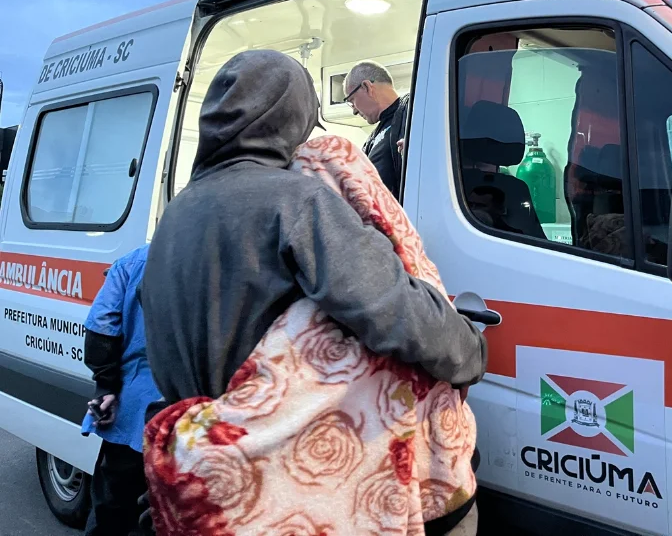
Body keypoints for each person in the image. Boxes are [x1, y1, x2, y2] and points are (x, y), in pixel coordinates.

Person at [139, 50, 486, 533]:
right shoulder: (295, 200)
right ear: (292, 116)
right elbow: (392, 308)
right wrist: (469, 350)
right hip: (285, 486)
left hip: (207, 481)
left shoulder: (175, 216)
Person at [80, 243, 160, 536]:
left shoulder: (133, 261)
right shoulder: (233, 258)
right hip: (195, 413)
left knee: (112, 509)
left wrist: (106, 387)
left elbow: (101, 325)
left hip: (133, 409)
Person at [342, 60, 409, 197]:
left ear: (367, 87)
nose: (354, 111)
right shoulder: (371, 140)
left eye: (352, 100)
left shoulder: (414, 109)